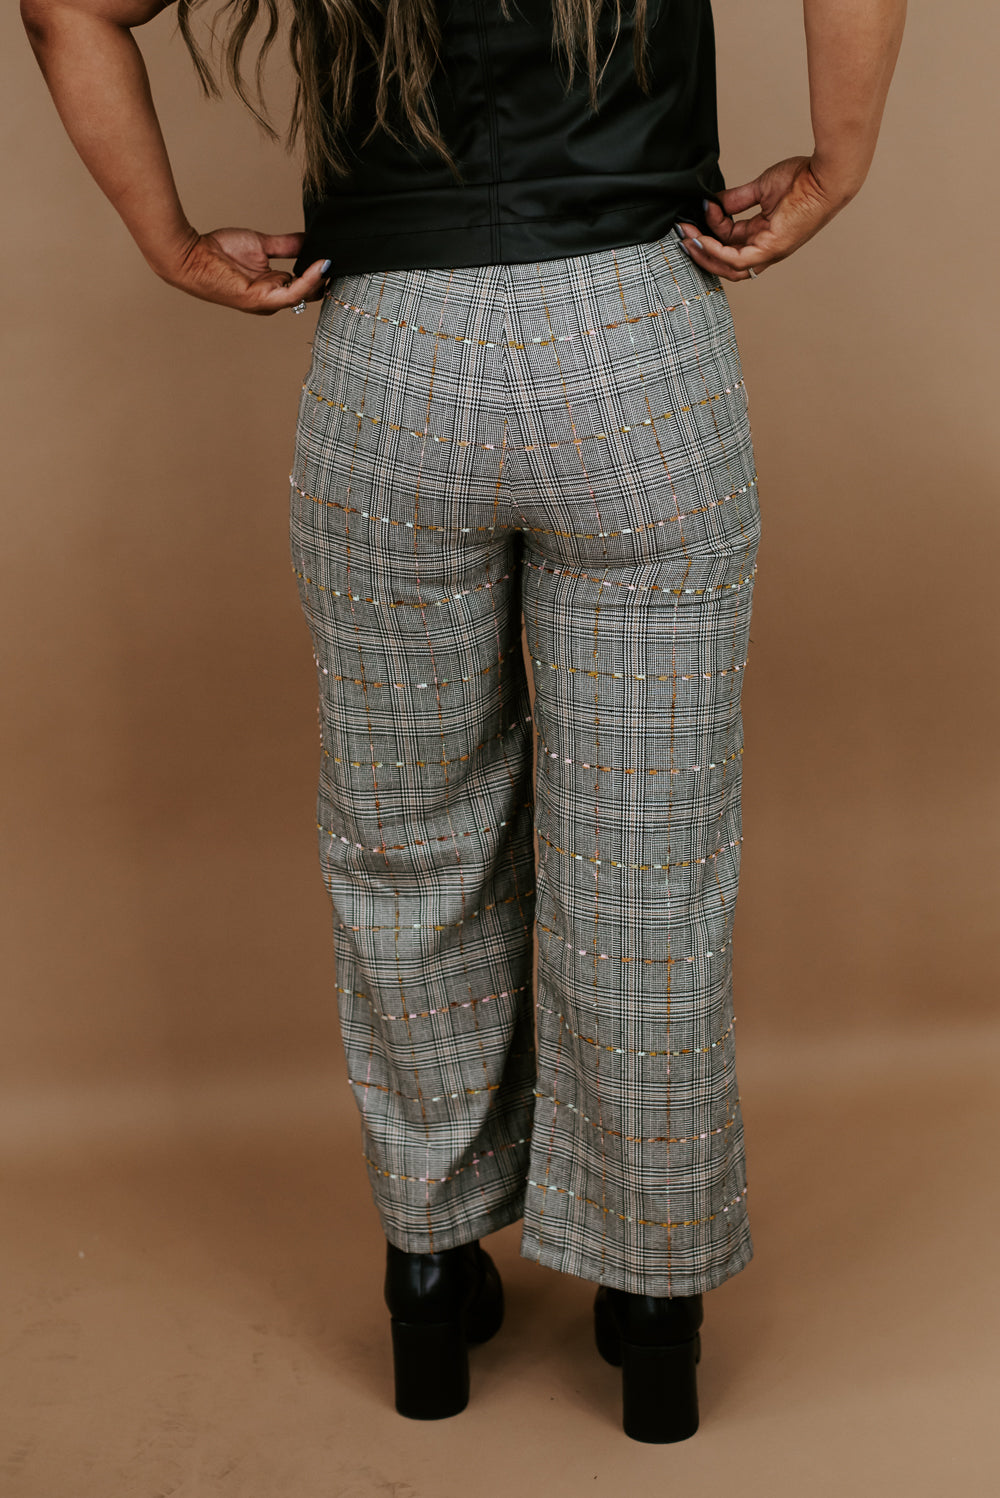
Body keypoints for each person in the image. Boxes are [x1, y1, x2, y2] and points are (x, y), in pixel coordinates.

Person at [21, 0, 907, 1443]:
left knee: (410, 836)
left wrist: (171, 241)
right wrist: (839, 162)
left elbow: (69, 6)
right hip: (639, 344)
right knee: (646, 855)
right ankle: (655, 1304)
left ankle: (429, 1274)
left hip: (390, 361)